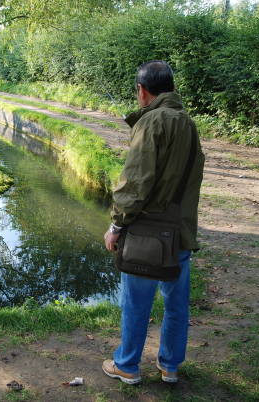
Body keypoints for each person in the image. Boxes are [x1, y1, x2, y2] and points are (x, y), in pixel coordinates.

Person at [102, 61, 205, 385]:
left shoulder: (151, 122)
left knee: (136, 304)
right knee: (176, 305)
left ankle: (128, 366)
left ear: (142, 91)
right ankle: (170, 366)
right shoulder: (188, 123)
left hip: (147, 233)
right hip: (179, 231)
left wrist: (117, 226)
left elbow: (136, 182)